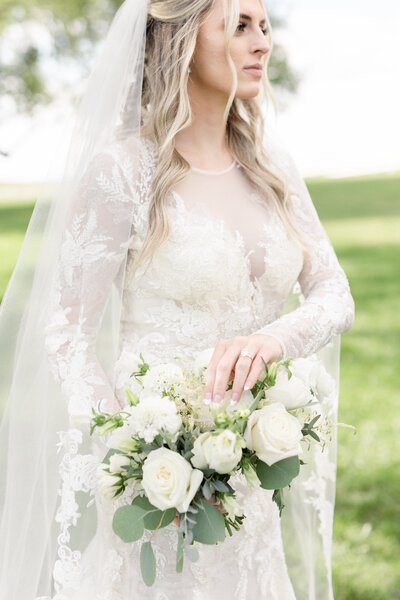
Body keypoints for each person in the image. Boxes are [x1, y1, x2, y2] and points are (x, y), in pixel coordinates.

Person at [0, 0, 355, 598]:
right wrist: (131, 445)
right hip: (161, 495)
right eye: (239, 26)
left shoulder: (273, 167)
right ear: (183, 42)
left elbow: (334, 292)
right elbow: (66, 332)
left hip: (248, 492)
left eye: (264, 26)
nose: (261, 42)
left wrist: (273, 340)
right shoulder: (123, 172)